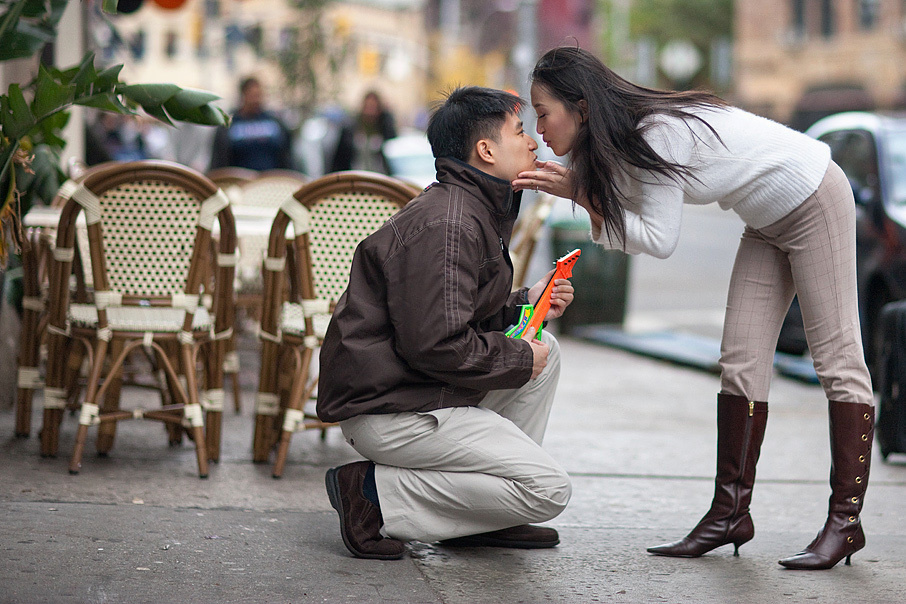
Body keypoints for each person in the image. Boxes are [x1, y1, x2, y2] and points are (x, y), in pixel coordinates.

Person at [514, 46, 875, 571]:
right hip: (766, 221)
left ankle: (846, 522)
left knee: (837, 359)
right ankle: (730, 514)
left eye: (543, 112)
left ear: (582, 107)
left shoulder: (654, 135)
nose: (539, 127)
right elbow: (635, 218)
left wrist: (583, 194)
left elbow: (658, 240)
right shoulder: (622, 145)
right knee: (740, 361)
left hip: (814, 197)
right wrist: (586, 190)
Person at [318, 86, 574, 560]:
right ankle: (372, 497)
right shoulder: (450, 223)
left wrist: (524, 306)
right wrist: (518, 355)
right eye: (521, 131)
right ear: (486, 150)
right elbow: (435, 343)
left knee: (547, 352)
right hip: (393, 409)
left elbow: (453, 313)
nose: (534, 142)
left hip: (417, 390)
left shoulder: (471, 208)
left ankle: (483, 518)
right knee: (548, 490)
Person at [209, 76, 294, 171]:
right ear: (243, 95)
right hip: (238, 181)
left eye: (258, 95)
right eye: (252, 95)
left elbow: (287, 155)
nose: (256, 100)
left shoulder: (274, 122)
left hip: (271, 181)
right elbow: (218, 158)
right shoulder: (228, 124)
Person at [329, 90, 397, 174]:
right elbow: (339, 159)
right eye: (368, 107)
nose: (370, 111)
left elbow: (393, 153)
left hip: (381, 179)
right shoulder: (350, 129)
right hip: (354, 177)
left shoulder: (385, 128)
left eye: (373, 107)